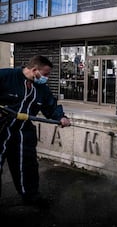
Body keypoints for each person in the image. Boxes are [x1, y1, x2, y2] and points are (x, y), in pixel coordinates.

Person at [0, 55, 70, 207]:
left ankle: (30, 196)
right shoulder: (6, 76)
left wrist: (61, 117)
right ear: (34, 70)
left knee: (28, 165)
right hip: (1, 128)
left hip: (23, 131)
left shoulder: (41, 89)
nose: (47, 78)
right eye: (45, 74)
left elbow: (50, 106)